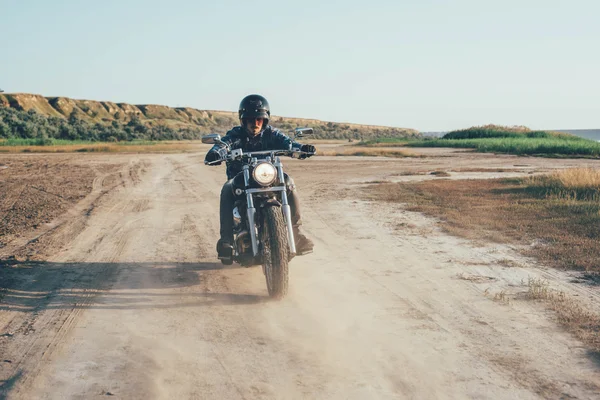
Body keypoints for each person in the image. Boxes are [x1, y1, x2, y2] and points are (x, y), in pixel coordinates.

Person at [205, 94, 316, 258]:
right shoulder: (236, 134)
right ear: (243, 120)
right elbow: (224, 144)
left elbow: (288, 143)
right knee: (227, 188)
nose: (255, 123)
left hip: (267, 177)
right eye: (250, 119)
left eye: (259, 119)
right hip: (241, 178)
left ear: (265, 120)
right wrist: (215, 153)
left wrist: (301, 148)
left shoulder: (272, 134)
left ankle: (297, 234)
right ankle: (226, 240)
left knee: (288, 182)